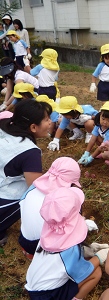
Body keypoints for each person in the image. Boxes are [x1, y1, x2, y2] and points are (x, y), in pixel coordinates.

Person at [25, 187, 107, 300]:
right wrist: (99, 257)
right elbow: (82, 272)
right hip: (46, 296)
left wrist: (84, 251)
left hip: (34, 285)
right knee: (96, 272)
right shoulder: (69, 250)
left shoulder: (48, 231)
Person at [0, 100, 52, 246]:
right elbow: (35, 186)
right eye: (47, 120)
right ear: (33, 127)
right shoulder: (30, 152)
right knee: (31, 194)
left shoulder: (4, 124)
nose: (50, 123)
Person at [19, 157, 81, 259]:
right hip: (43, 245)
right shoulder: (64, 200)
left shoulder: (33, 187)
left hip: (24, 239)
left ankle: (30, 253)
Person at [78, 101, 109, 166]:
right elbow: (92, 139)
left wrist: (91, 157)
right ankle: (103, 153)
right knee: (96, 138)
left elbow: (103, 145)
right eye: (103, 119)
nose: (105, 122)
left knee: (105, 154)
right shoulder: (98, 125)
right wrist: (86, 153)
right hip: (105, 144)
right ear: (99, 116)